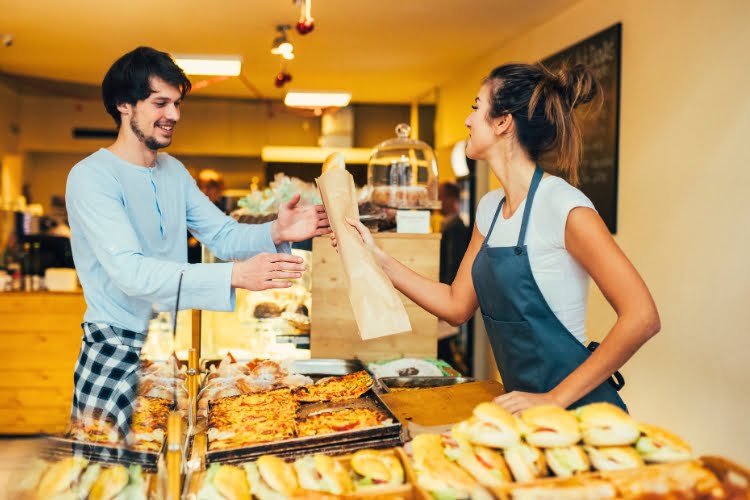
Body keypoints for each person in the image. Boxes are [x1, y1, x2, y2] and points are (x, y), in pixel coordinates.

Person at [338, 62, 660, 414]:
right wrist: (377, 257)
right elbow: (456, 306)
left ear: (503, 122)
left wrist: (554, 399)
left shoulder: (561, 205)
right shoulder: (490, 209)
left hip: (578, 411)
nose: (468, 120)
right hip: (521, 409)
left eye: (477, 108)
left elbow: (642, 316)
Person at [65, 46, 330, 433]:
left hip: (164, 349)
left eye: (176, 103)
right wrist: (233, 276)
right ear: (124, 104)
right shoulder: (92, 177)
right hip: (113, 352)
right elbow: (132, 274)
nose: (173, 115)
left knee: (167, 479)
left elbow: (222, 234)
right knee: (104, 483)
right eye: (160, 103)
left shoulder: (172, 171)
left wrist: (276, 230)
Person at [187, 168, 224, 263]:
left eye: (209, 187)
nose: (204, 191)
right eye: (200, 187)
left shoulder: (223, 213)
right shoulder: (189, 211)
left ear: (219, 190)